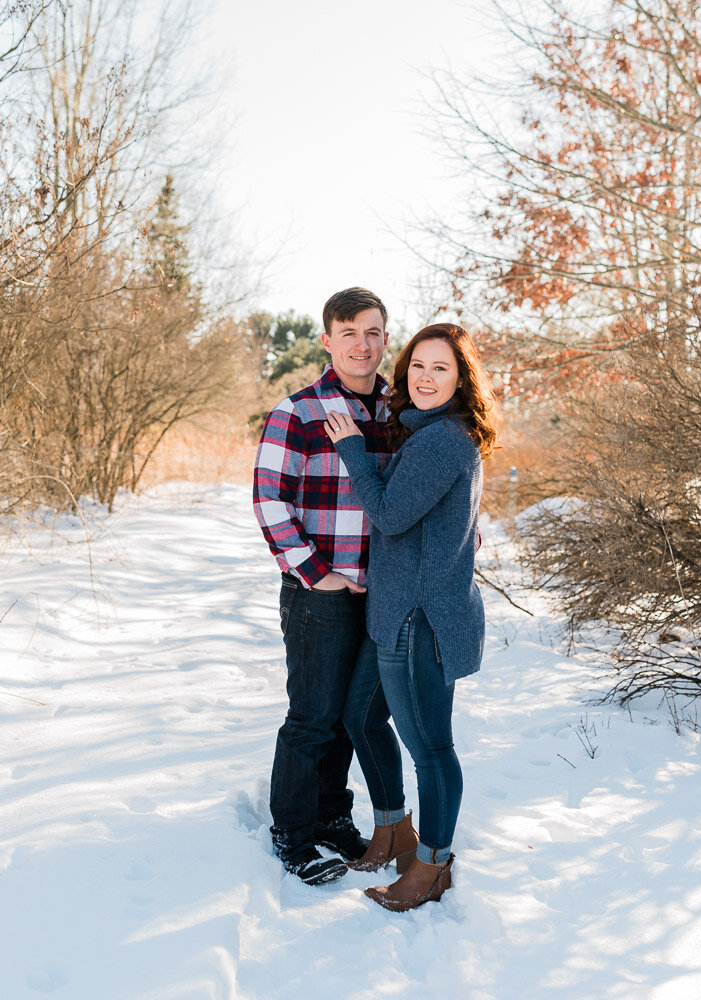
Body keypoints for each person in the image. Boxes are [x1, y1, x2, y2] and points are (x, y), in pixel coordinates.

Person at [324, 323, 499, 911]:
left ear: (460, 380)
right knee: (362, 718)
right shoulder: (427, 436)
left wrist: (351, 448)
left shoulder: (443, 441)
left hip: (417, 619)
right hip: (393, 609)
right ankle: (395, 828)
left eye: (440, 369)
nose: (425, 378)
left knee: (430, 748)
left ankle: (432, 866)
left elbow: (390, 514)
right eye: (418, 367)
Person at [252, 287, 391, 885]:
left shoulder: (398, 414)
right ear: (328, 339)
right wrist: (315, 572)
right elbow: (268, 500)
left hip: (382, 594)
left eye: (374, 332)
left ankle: (333, 819)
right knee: (312, 717)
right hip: (321, 595)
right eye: (350, 332)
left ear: (387, 338)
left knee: (351, 719)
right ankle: (295, 831)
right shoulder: (298, 412)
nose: (363, 344)